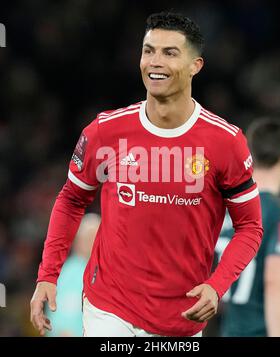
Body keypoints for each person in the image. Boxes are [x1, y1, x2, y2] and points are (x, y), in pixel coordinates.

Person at [30, 11, 263, 337]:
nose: (155, 61)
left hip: (180, 319)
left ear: (195, 66)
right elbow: (71, 199)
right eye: (148, 50)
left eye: (170, 53)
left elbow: (250, 226)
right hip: (108, 309)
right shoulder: (106, 131)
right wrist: (47, 274)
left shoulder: (225, 142)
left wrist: (216, 285)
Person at [217, 118, 280, 337]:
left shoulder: (226, 210)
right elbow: (275, 280)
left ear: (250, 156)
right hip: (264, 330)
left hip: (231, 328)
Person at [45, 213, 100, 337]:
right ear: (79, 241)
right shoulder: (67, 273)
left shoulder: (108, 271)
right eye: (90, 237)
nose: (93, 242)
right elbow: (60, 315)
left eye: (97, 237)